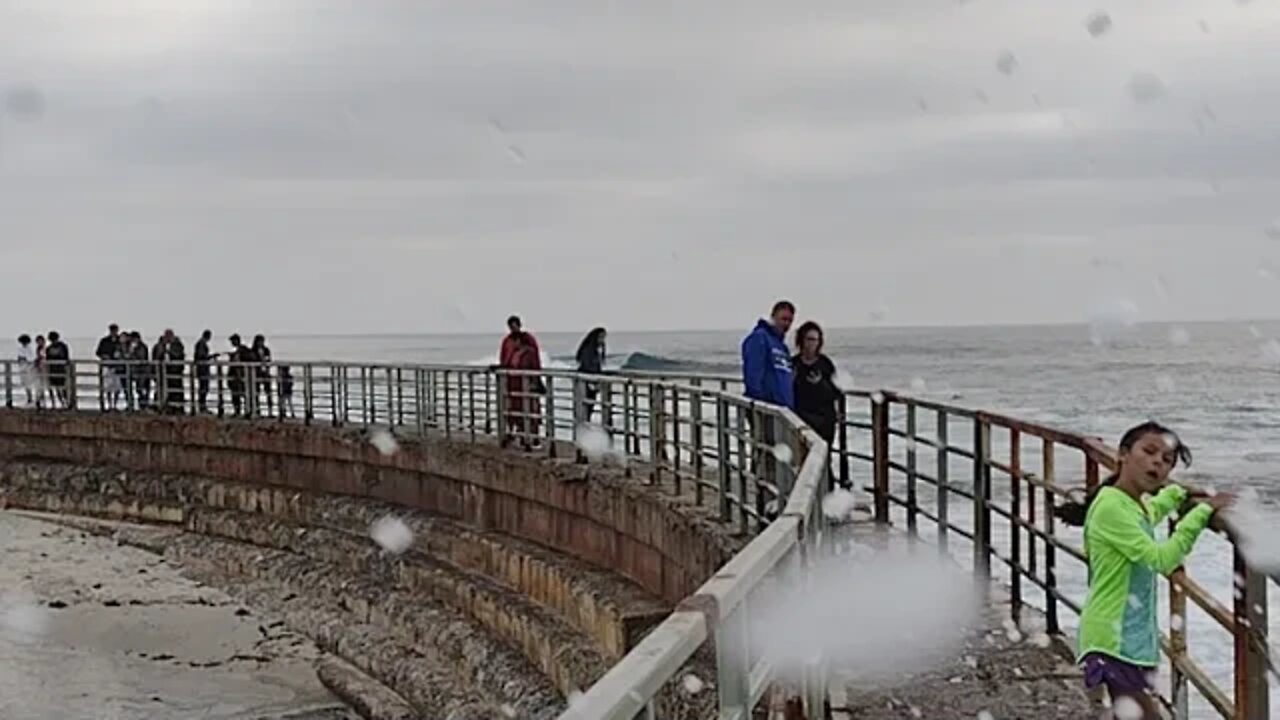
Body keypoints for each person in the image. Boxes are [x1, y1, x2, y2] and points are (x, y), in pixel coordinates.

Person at [1055, 422, 1234, 719]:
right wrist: (1201, 513)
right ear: (1123, 454)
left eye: (1167, 461)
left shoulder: (1124, 501)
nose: (1157, 462)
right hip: (1114, 641)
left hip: (1126, 639)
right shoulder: (1112, 507)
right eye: (1149, 451)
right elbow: (1161, 559)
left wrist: (1175, 495)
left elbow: (1147, 516)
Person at [791, 321, 844, 490]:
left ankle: (827, 496)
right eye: (808, 339)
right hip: (802, 417)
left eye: (815, 340)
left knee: (824, 458)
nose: (811, 344)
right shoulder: (794, 364)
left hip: (825, 418)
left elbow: (837, 390)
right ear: (801, 340)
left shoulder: (825, 364)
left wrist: (839, 412)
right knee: (804, 461)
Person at [741, 300, 795, 408]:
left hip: (784, 410)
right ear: (773, 317)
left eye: (790, 320)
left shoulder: (783, 347)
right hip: (767, 409)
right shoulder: (759, 338)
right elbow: (753, 375)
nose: (786, 324)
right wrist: (759, 405)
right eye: (783, 319)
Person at [502, 332, 542, 450]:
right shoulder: (515, 353)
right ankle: (523, 437)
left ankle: (532, 438)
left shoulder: (529, 353)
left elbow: (534, 368)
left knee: (530, 412)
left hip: (526, 386)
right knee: (518, 412)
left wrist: (534, 382)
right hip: (515, 386)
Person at [574, 326, 607, 422]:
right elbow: (588, 367)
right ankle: (583, 431)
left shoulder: (594, 350)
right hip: (587, 384)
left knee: (587, 408)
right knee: (586, 409)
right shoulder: (589, 350)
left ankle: (585, 429)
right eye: (601, 337)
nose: (602, 340)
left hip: (590, 383)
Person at [95, 324, 124, 411]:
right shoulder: (104, 341)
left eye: (115, 330)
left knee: (117, 387)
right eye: (112, 330)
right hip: (107, 366)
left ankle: (115, 405)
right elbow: (98, 352)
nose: (114, 332)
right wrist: (104, 356)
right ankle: (109, 404)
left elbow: (124, 351)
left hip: (117, 367)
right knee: (108, 387)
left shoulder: (120, 341)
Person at [44, 331, 71, 409]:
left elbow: (66, 358)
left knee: (63, 387)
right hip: (53, 370)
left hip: (61, 369)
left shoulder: (62, 346)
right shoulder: (49, 348)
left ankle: (66, 402)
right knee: (57, 388)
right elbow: (48, 359)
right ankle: (61, 402)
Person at [227, 334, 252, 416]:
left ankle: (246, 411)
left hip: (240, 376)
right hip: (235, 376)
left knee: (242, 394)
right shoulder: (237, 351)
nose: (232, 343)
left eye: (233, 341)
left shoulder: (243, 350)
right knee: (236, 395)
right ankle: (238, 411)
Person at [194, 330, 215, 413]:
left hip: (202, 369)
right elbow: (201, 356)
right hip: (202, 369)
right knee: (203, 388)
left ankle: (202, 407)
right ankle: (202, 407)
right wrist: (210, 356)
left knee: (203, 388)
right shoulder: (201, 344)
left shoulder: (200, 343)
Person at [252, 334, 273, 416]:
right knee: (256, 392)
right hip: (257, 373)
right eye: (260, 341)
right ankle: (257, 410)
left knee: (268, 392)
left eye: (262, 341)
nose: (261, 343)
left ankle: (270, 411)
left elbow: (269, 359)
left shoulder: (266, 350)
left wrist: (267, 363)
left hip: (265, 373)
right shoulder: (253, 350)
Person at [17, 334, 35, 407]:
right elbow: (19, 358)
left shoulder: (29, 348)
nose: (23, 343)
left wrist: (24, 358)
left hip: (28, 368)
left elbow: (30, 358)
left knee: (29, 384)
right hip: (22, 368)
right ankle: (29, 398)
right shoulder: (20, 348)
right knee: (25, 384)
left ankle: (30, 398)